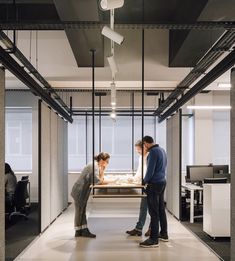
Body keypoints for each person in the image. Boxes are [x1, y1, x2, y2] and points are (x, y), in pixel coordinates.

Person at [71, 152, 110, 238]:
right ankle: (79, 231)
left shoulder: (95, 165)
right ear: (102, 160)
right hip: (79, 191)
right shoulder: (94, 166)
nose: (107, 163)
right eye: (107, 161)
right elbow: (98, 181)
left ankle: (82, 230)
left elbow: (99, 179)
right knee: (80, 211)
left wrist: (103, 170)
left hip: (82, 191)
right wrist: (113, 181)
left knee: (82, 210)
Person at [139, 136, 168, 248]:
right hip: (162, 182)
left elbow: (150, 170)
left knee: (153, 212)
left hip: (154, 184)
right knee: (161, 209)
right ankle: (164, 234)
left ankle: (153, 239)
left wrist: (144, 181)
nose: (144, 148)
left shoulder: (153, 152)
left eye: (144, 145)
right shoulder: (162, 150)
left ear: (146, 143)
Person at [126, 140, 150, 236]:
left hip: (151, 184)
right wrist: (133, 179)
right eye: (136, 150)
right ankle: (138, 229)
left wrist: (142, 181)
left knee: (152, 209)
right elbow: (140, 171)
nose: (138, 151)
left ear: (144, 147)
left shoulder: (149, 156)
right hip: (144, 184)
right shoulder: (141, 157)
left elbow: (148, 172)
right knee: (143, 207)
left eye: (139, 149)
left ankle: (152, 229)